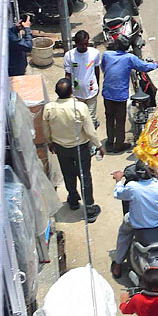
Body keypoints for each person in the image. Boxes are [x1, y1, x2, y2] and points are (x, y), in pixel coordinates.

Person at [43, 77, 105, 219]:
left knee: (68, 173)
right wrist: (98, 145)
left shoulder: (49, 108)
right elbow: (90, 131)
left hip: (61, 148)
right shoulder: (80, 107)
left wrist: (50, 142)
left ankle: (73, 199)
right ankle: (89, 208)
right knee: (85, 176)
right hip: (80, 148)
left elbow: (46, 130)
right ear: (72, 91)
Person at [111, 163, 158, 279]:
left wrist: (118, 181)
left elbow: (118, 194)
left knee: (124, 233)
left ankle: (118, 263)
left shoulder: (132, 186)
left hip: (138, 226)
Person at [100, 40, 158, 152]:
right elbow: (144, 67)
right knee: (120, 119)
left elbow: (103, 67)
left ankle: (110, 142)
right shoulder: (129, 58)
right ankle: (118, 145)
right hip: (120, 95)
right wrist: (156, 64)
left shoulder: (107, 55)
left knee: (109, 118)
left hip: (107, 92)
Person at [64, 30, 103, 122]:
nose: (84, 46)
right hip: (76, 93)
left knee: (90, 119)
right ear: (76, 43)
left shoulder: (95, 53)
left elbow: (96, 70)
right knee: (78, 119)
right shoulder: (69, 56)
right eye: (82, 44)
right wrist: (68, 92)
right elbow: (68, 75)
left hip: (91, 91)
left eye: (86, 43)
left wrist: (97, 85)